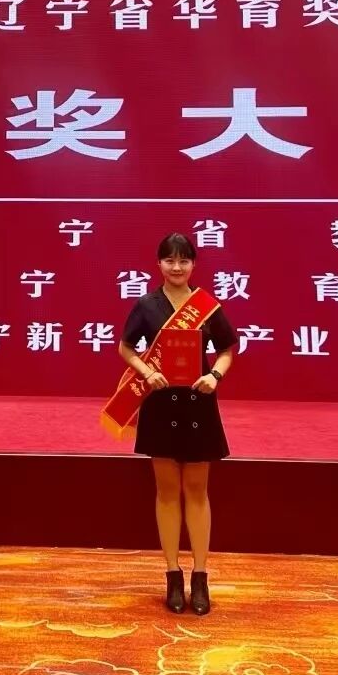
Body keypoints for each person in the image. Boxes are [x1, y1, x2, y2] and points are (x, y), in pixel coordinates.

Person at [118, 233, 236, 616]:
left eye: (184, 260)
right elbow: (125, 347)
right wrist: (146, 371)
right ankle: (172, 574)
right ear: (159, 264)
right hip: (159, 403)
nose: (176, 267)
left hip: (198, 403)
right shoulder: (146, 305)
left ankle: (200, 576)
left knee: (197, 491)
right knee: (167, 492)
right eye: (169, 260)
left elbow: (227, 348)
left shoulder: (206, 305)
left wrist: (215, 375)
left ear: (193, 264)